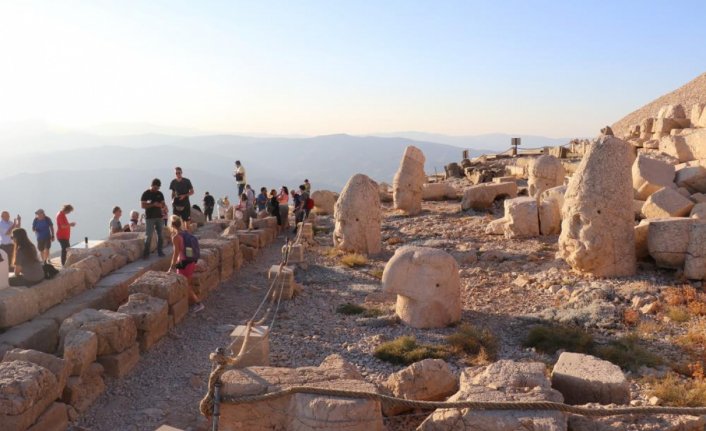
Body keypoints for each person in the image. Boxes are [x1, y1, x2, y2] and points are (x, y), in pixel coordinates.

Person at [168, 215, 204, 313]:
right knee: (187, 283)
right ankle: (193, 302)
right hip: (191, 261)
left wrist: (171, 267)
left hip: (184, 264)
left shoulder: (176, 237)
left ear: (171, 225)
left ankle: (198, 303)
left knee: (185, 285)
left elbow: (175, 254)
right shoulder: (186, 233)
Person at [141, 178, 166, 259]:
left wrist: (160, 205)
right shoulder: (146, 194)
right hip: (149, 218)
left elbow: (163, 204)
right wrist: (152, 205)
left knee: (161, 235)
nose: (156, 189)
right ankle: (146, 253)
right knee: (148, 236)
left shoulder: (160, 194)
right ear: (152, 186)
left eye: (158, 188)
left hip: (159, 217)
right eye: (155, 188)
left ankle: (160, 251)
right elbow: (143, 206)